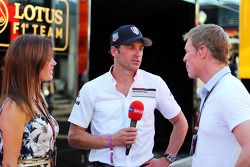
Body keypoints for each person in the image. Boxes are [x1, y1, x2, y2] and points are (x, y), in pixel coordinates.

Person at [68, 24, 188, 167]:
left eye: (141, 49)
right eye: (131, 47)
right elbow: (74, 137)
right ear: (114, 51)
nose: (138, 53)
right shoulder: (91, 88)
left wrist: (167, 159)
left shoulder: (155, 83)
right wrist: (112, 140)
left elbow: (181, 123)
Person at [183, 24, 250, 167]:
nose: (184, 58)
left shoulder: (229, 90)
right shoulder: (217, 89)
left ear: (202, 51)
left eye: (187, 52)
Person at [0, 34, 59, 166]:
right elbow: (9, 163)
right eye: (48, 58)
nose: (54, 63)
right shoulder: (14, 106)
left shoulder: (38, 97)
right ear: (32, 61)